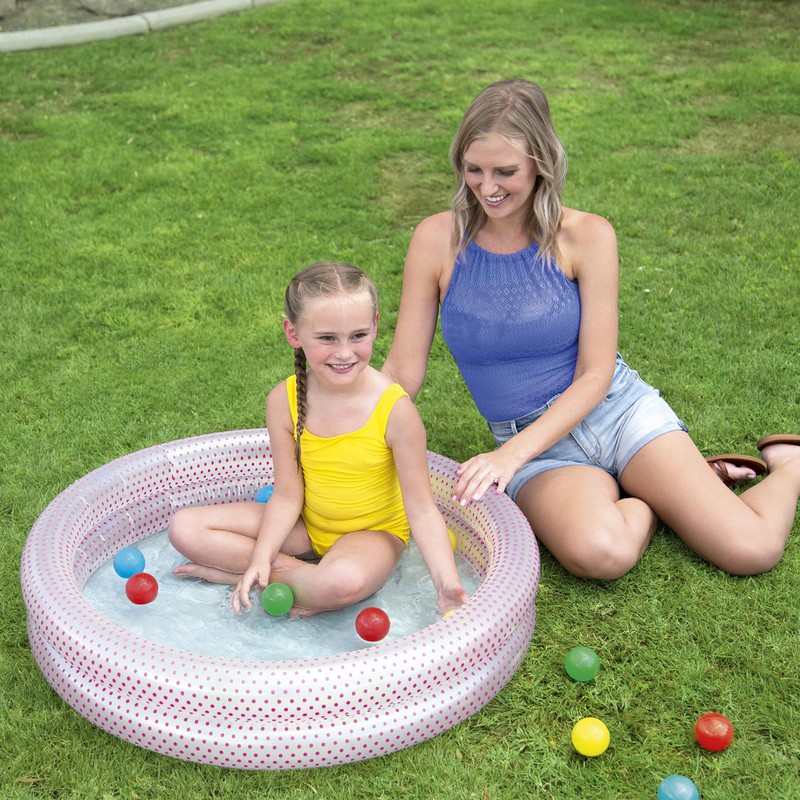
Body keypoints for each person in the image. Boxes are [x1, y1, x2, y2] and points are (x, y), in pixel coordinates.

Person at [382, 79, 800, 580]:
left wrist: (505, 459)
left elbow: (596, 373)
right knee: (600, 554)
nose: (486, 187)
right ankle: (653, 495)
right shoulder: (436, 241)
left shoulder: (587, 236)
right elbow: (403, 370)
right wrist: (341, 423)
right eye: (473, 169)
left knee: (751, 550)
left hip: (616, 412)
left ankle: (789, 463)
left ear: (542, 162)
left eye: (505, 171)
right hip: (538, 449)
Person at [169, 261, 467, 617]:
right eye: (327, 338)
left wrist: (447, 583)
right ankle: (285, 578)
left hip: (373, 536)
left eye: (358, 336)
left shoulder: (395, 410)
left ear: (374, 327)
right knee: (185, 528)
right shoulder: (284, 400)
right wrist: (262, 556)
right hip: (308, 526)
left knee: (340, 582)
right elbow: (286, 494)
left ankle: (250, 575)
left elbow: (421, 509)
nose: (344, 353)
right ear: (293, 333)